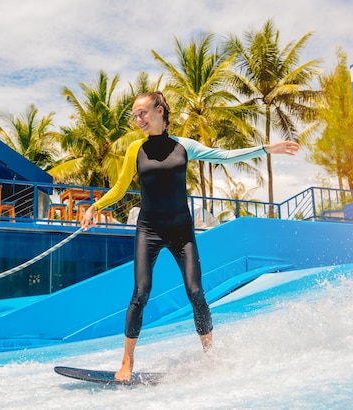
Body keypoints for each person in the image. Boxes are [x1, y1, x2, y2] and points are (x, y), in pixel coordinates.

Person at [80, 91, 299, 381]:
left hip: (181, 231)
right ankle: (126, 363)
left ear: (160, 110)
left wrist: (265, 149)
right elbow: (120, 188)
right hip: (149, 229)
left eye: (143, 112)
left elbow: (225, 156)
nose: (138, 119)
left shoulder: (184, 146)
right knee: (140, 293)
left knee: (196, 292)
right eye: (134, 115)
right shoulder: (135, 149)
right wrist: (94, 207)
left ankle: (211, 356)